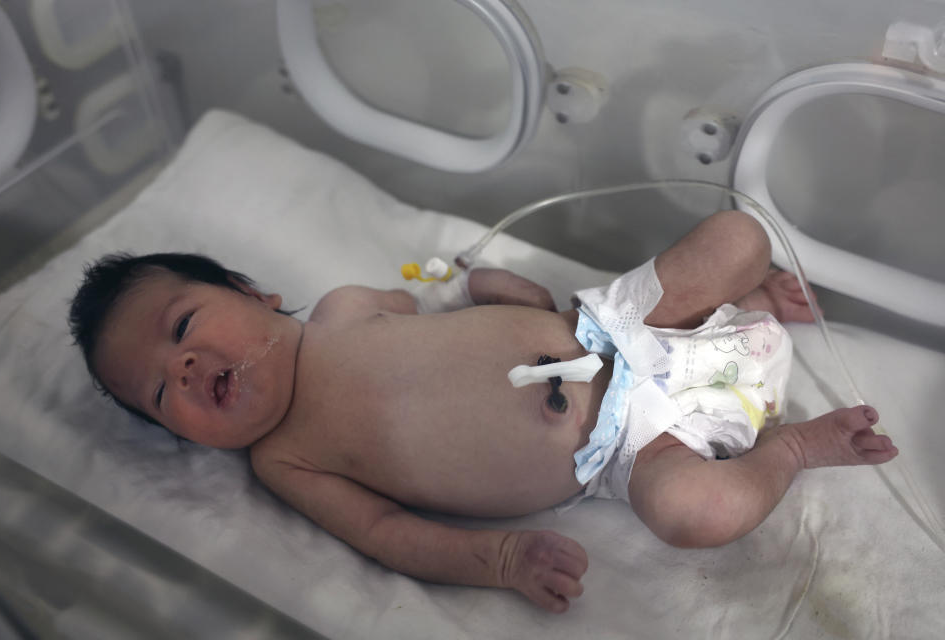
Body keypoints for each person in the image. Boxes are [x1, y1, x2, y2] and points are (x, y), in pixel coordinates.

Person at [68, 210, 898, 613]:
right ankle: (790, 452)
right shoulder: (286, 459)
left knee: (736, 234)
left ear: (251, 293)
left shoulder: (344, 311)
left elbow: (444, 299)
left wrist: (489, 287)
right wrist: (499, 562)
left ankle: (740, 296)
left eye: (182, 327)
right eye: (158, 394)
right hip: (626, 450)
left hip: (610, 327)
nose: (182, 367)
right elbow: (385, 535)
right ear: (179, 432)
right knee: (691, 512)